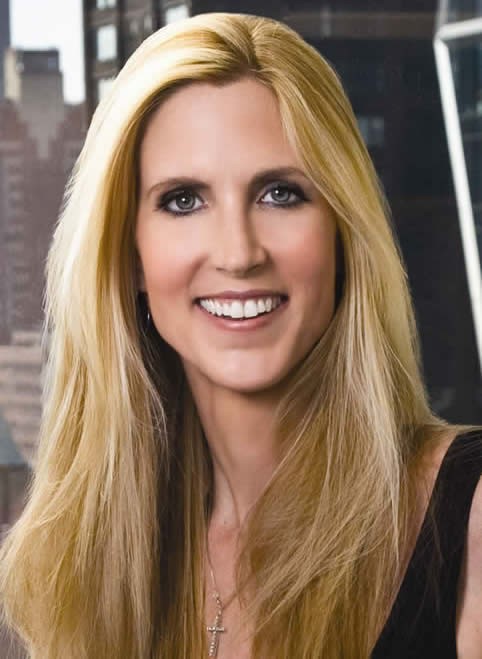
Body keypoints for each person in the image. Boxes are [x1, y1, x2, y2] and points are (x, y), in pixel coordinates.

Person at [0, 11, 480, 659]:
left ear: (342, 231)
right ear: (130, 256)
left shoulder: (471, 520)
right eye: (183, 200)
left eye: (280, 193)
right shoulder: (88, 564)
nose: (238, 253)